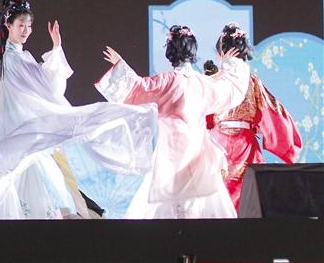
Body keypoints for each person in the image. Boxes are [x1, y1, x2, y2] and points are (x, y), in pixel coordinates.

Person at [0, 0, 157, 219]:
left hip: (25, 135)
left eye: (29, 25)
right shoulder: (12, 58)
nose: (26, 30)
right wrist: (56, 115)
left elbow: (47, 84)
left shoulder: (21, 56)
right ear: (8, 25)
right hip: (18, 133)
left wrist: (57, 48)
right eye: (21, 25)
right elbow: (36, 92)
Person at [96, 25, 250, 218]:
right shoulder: (203, 83)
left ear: (170, 52)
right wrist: (228, 63)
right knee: (200, 206)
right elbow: (230, 88)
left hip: (172, 151)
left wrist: (120, 65)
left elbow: (137, 88)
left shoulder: (167, 81)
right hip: (198, 150)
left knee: (168, 206)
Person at [205, 23, 301, 212]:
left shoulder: (213, 79)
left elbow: (204, 114)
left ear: (221, 51)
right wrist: (289, 144)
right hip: (245, 144)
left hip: (217, 142)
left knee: (215, 193)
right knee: (249, 192)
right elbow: (271, 112)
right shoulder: (251, 80)